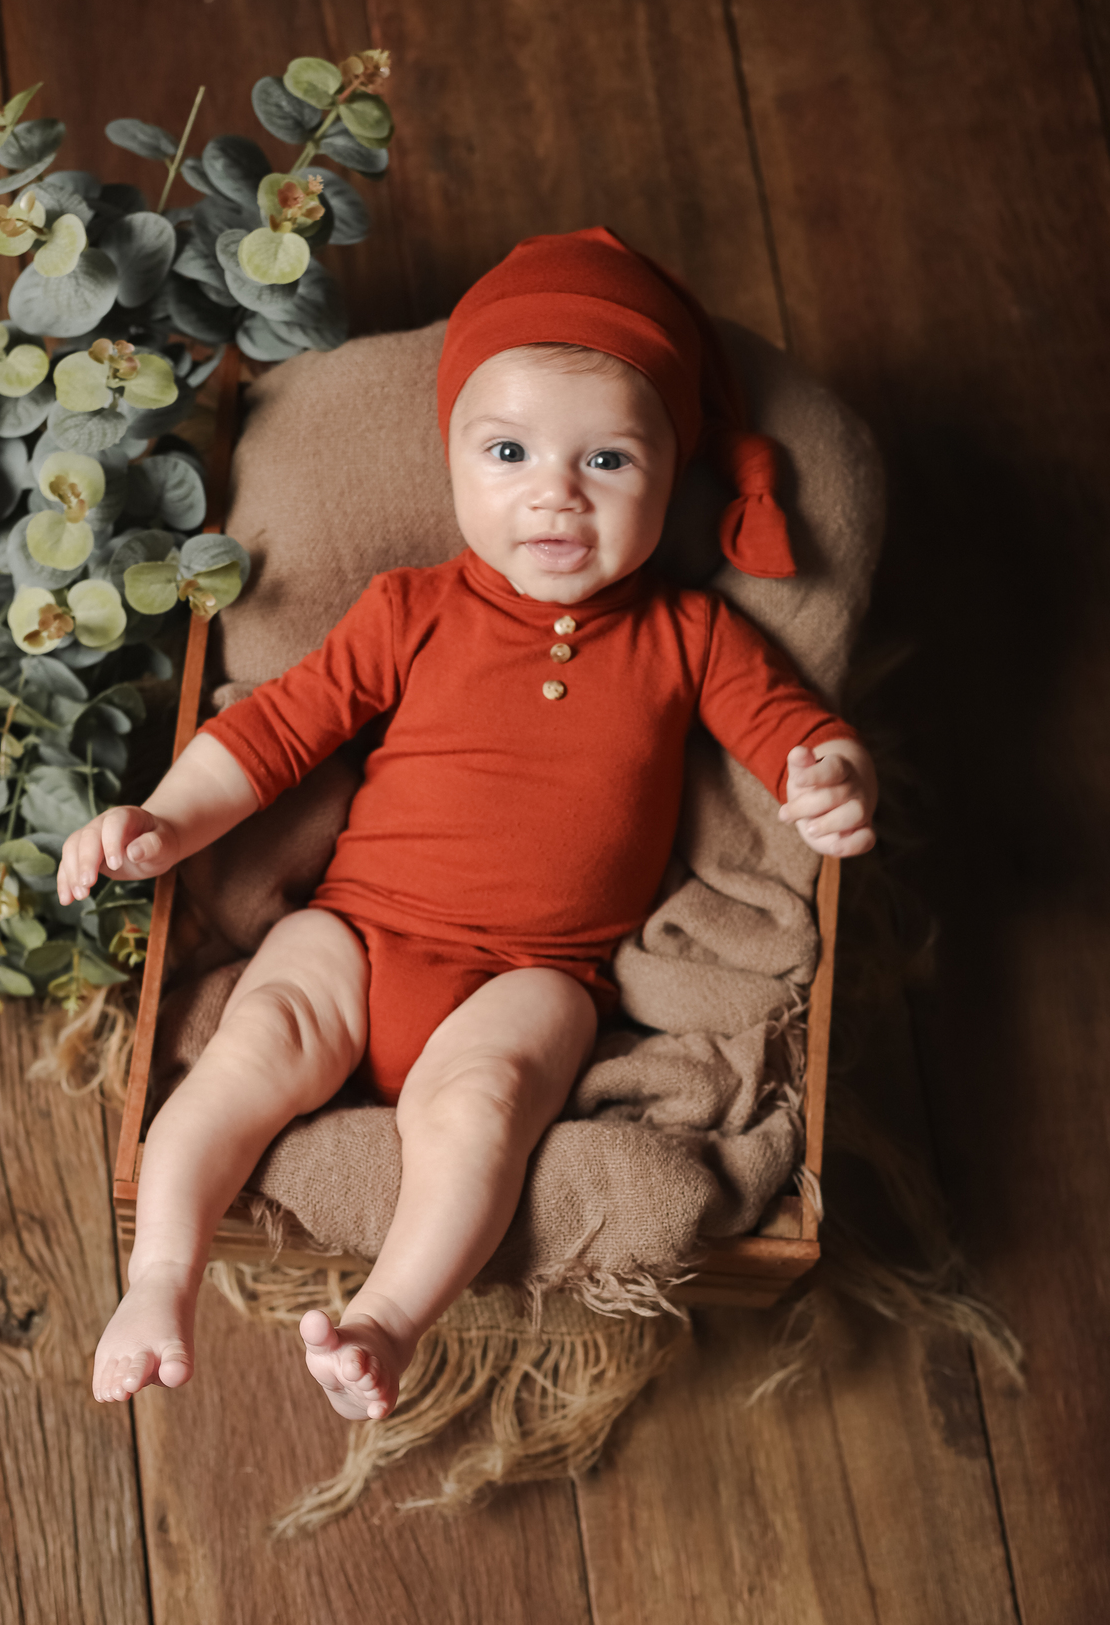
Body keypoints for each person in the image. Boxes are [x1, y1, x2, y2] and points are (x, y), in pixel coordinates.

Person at [60, 227, 878, 1422]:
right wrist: (166, 821)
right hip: (356, 932)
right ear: (451, 460)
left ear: (673, 475)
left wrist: (831, 776)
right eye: (509, 451)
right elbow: (277, 727)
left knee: (483, 1106)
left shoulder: (692, 636)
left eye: (608, 459)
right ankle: (158, 1278)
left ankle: (388, 1319)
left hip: (538, 975)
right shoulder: (413, 609)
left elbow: (791, 729)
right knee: (248, 1047)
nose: (555, 492)